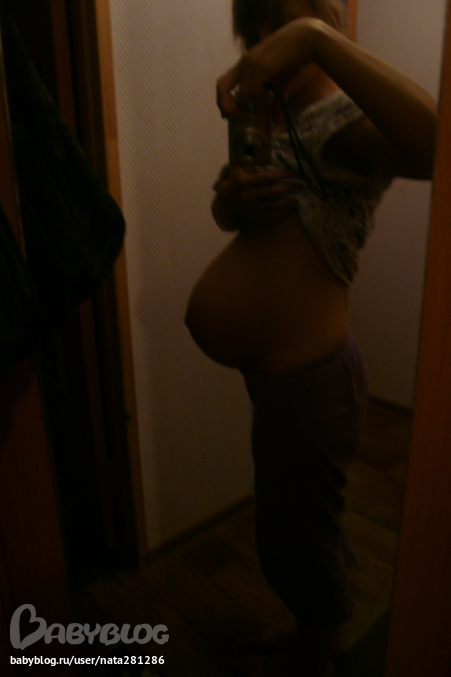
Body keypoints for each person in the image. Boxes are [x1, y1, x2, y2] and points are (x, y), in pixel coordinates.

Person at [185, 1, 437, 674]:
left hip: (312, 381)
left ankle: (319, 649)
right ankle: (312, 627)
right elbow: (230, 216)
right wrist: (230, 203)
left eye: (283, 23)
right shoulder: (267, 119)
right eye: (255, 30)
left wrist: (315, 41)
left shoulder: (344, 118)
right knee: (295, 517)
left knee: (295, 531)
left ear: (325, 22)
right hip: (281, 381)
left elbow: (436, 144)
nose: (264, 42)